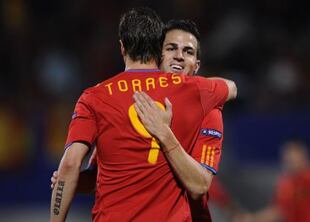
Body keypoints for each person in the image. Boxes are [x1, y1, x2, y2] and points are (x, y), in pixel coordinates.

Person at [50, 8, 236, 222]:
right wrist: (73, 179)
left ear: (121, 47)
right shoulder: (195, 90)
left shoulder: (95, 97)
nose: (179, 57)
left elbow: (199, 185)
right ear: (159, 51)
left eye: (188, 52)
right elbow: (231, 87)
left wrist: (66, 176)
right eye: (172, 48)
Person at [240, 140, 310, 222]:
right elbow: (278, 211)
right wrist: (253, 218)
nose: (288, 162)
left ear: (303, 157)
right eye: (287, 159)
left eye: (292, 159)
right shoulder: (284, 183)